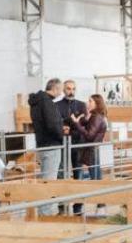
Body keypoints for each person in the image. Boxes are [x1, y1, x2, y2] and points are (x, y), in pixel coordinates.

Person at [28, 78, 66, 215]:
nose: (61, 92)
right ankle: (48, 213)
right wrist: (62, 136)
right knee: (50, 181)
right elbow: (52, 124)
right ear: (55, 88)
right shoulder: (47, 102)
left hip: (41, 144)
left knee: (44, 179)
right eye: (61, 89)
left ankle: (44, 210)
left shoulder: (36, 102)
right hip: (52, 145)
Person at [73, 94, 109, 182]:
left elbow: (90, 135)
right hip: (93, 148)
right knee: (95, 173)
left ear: (97, 103)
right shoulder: (96, 116)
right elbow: (90, 125)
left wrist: (77, 124)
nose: (87, 103)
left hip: (92, 149)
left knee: (95, 174)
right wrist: (81, 120)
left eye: (90, 101)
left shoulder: (96, 117)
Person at [59, 80, 87, 178]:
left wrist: (68, 123)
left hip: (77, 141)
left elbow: (83, 122)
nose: (71, 91)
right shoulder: (57, 105)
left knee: (78, 170)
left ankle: (79, 190)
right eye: (69, 89)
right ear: (63, 90)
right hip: (62, 141)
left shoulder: (81, 105)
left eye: (73, 89)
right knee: (61, 170)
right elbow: (57, 122)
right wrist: (74, 120)